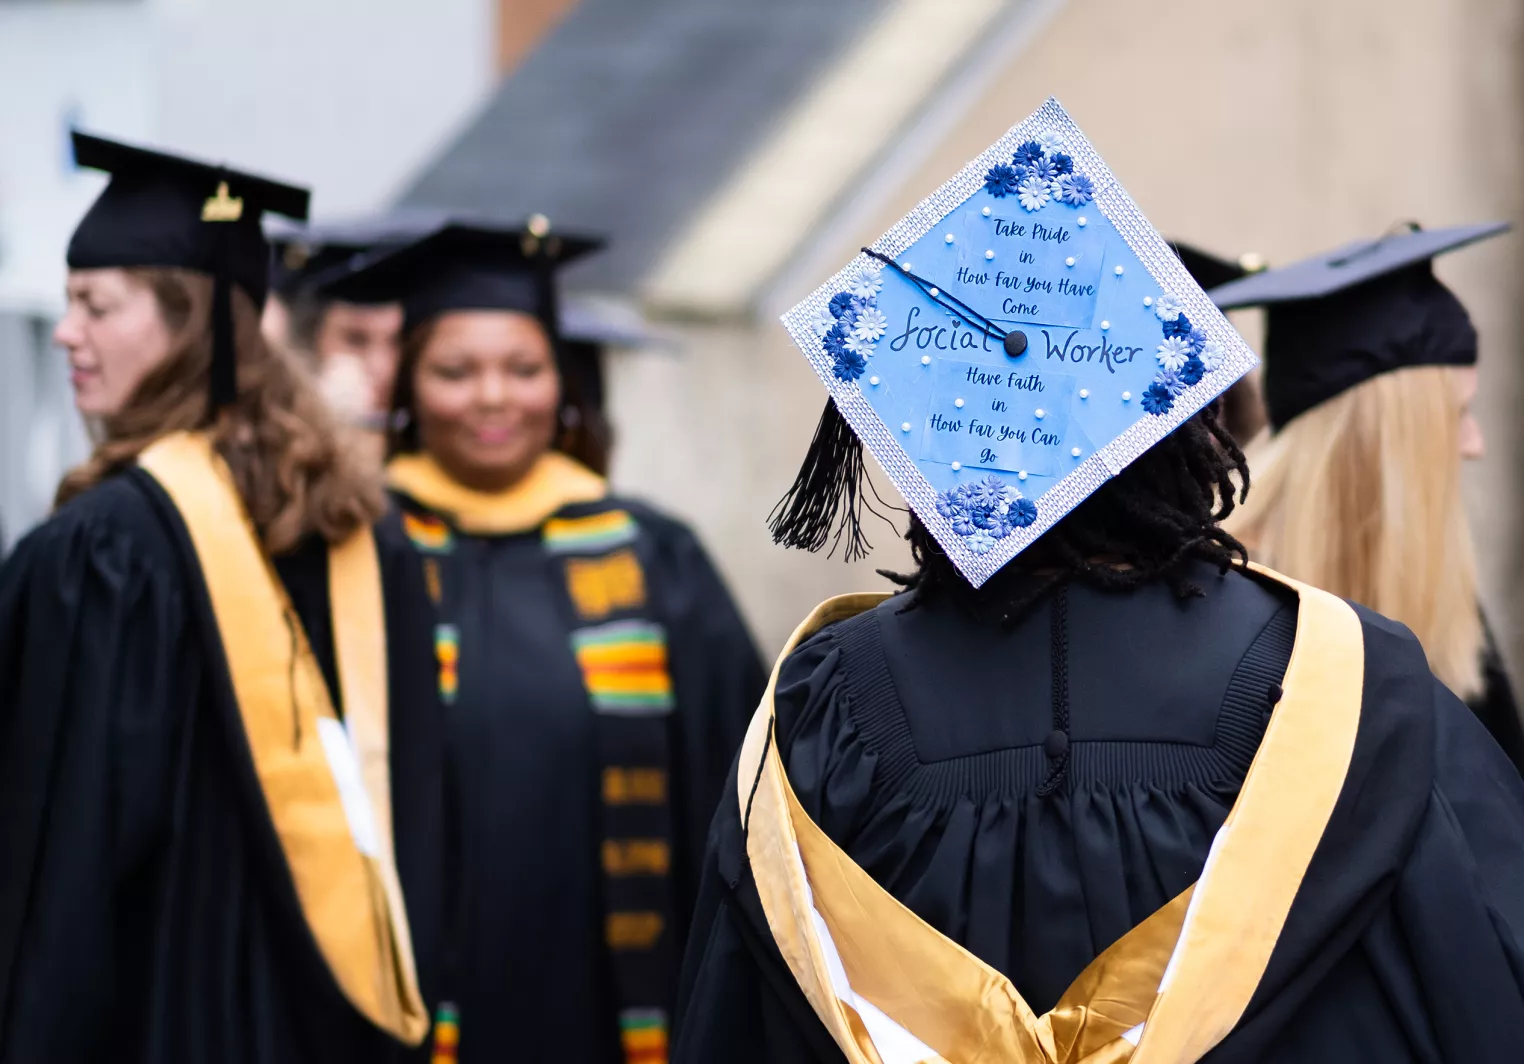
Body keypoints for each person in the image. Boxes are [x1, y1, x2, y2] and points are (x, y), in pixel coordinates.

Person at [673, 107, 1524, 1062]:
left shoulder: (826, 702)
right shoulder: (1341, 680)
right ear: (1185, 430)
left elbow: (732, 1016)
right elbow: (1482, 969)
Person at [0, 132, 431, 1061]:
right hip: (338, 1015)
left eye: (94, 305)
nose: (66, 330)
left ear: (188, 319)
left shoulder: (103, 550)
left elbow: (57, 851)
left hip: (153, 1010)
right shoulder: (363, 526)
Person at [319, 219, 767, 1063]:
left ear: (559, 382)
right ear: (408, 386)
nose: (493, 396)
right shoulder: (359, 556)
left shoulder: (651, 555)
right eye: (455, 371)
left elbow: (733, 796)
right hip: (412, 993)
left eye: (523, 369)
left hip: (608, 999)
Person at [1217, 223, 1524, 773]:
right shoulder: (1228, 600)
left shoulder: (1437, 587)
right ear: (1384, 446)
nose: (1475, 444)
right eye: (1456, 415)